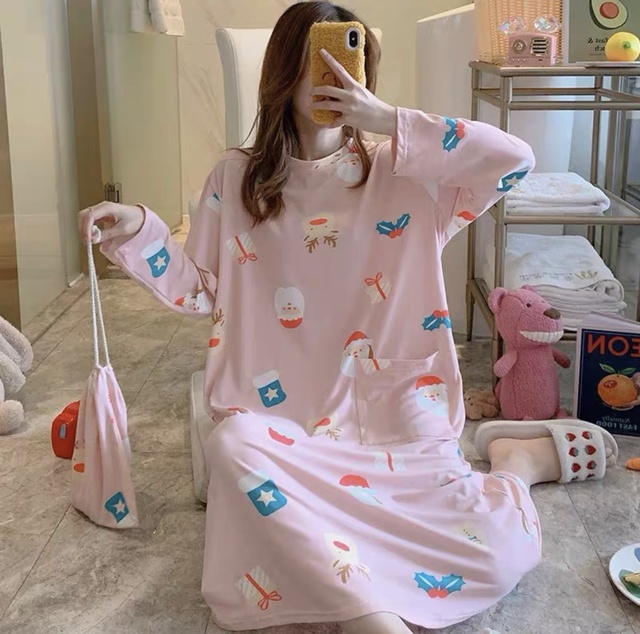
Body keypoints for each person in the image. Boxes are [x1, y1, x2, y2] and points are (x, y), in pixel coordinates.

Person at [78, 3, 618, 633]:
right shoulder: (237, 177)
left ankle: (515, 469)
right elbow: (202, 290)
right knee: (232, 445)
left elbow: (514, 160)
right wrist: (139, 230)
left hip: (392, 414)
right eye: (315, 60)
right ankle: (371, 613)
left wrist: (387, 119)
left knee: (497, 557)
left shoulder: (408, 169)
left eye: (345, 58)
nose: (329, 75)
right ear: (284, 72)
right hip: (283, 423)